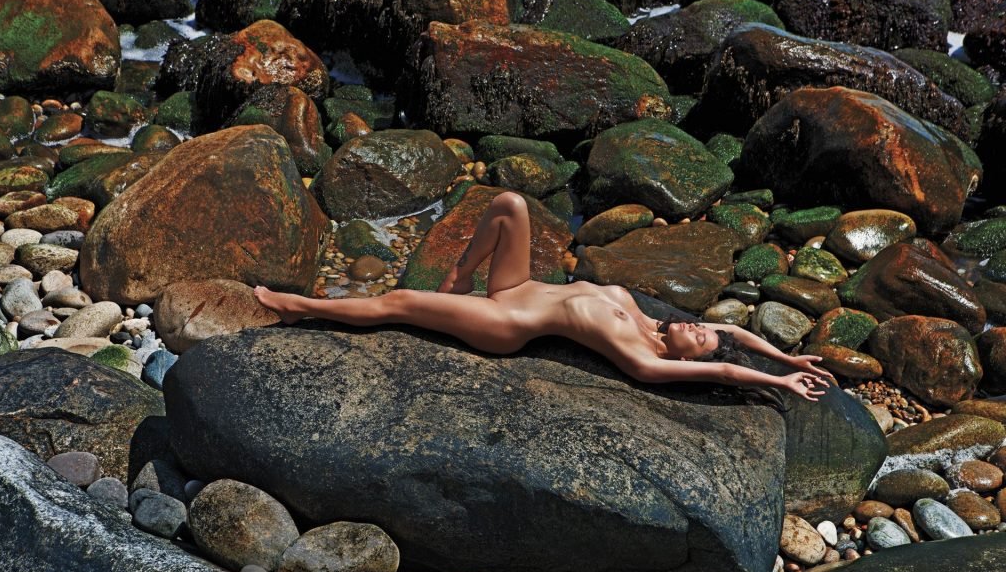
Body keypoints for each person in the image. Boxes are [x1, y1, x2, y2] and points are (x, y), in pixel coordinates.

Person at [254, 192, 832, 401]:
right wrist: (787, 358)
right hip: (520, 286)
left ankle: (302, 307)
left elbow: (725, 370)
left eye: (698, 337)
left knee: (398, 304)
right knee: (510, 204)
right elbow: (734, 337)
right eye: (703, 328)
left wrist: (777, 384)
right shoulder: (647, 320)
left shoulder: (645, 359)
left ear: (685, 359)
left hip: (505, 321)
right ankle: (459, 273)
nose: (699, 327)